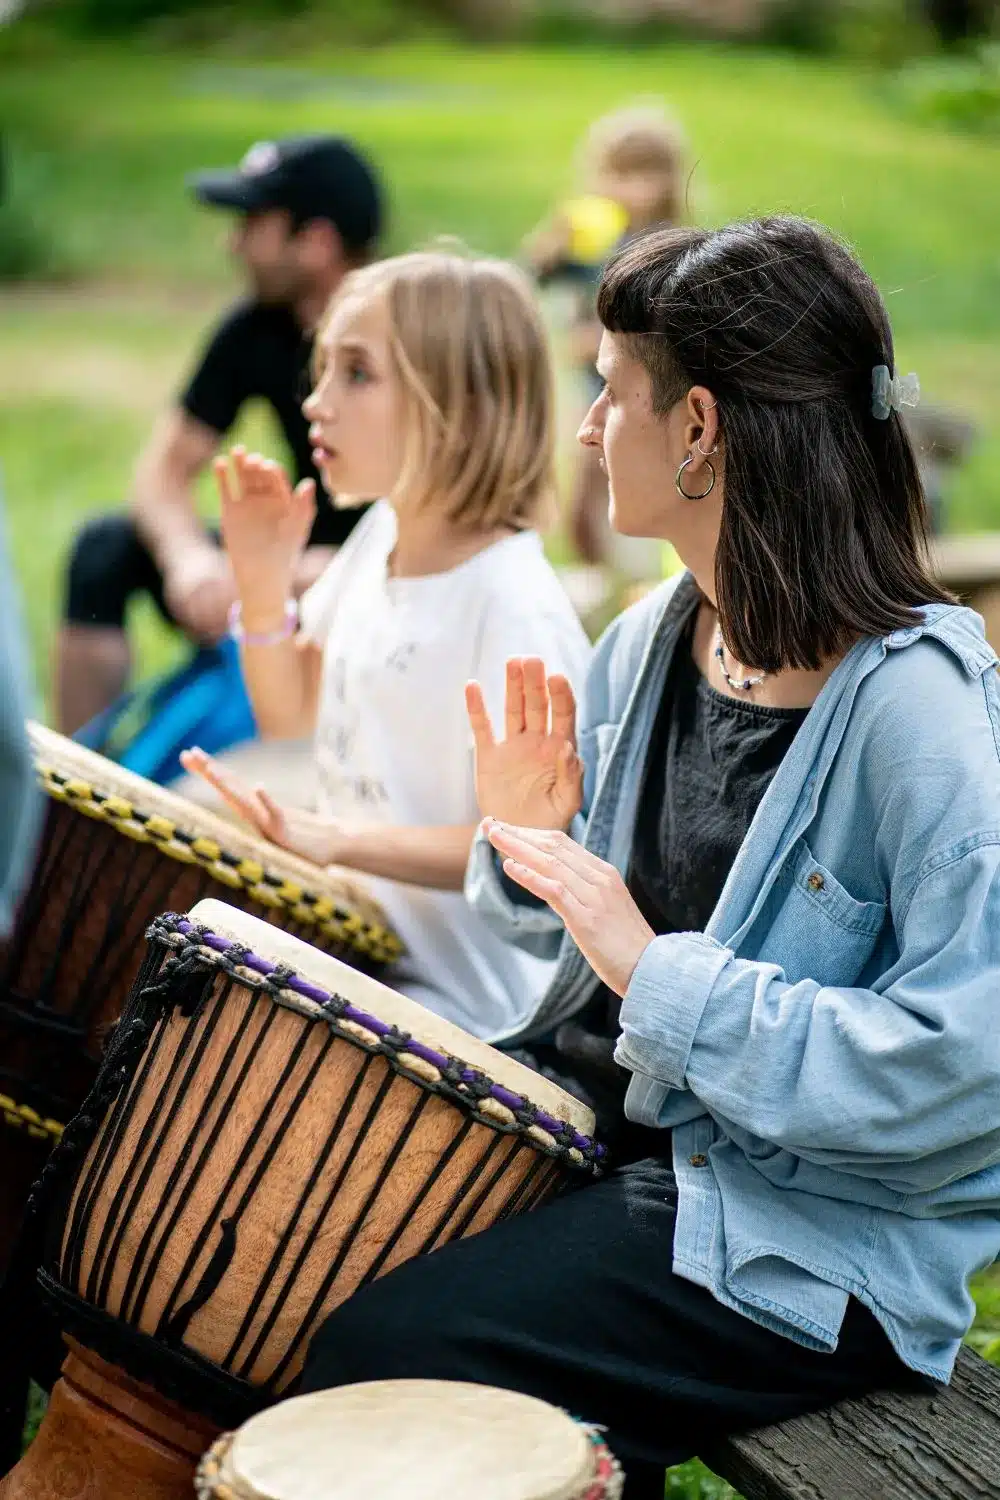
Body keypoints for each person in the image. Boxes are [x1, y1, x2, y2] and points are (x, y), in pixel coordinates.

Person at [299, 218, 1000, 1496]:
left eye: (606, 391)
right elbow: (580, 936)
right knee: (295, 1257)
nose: (583, 427)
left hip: (799, 1241)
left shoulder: (924, 717)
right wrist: (527, 843)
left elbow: (967, 1074)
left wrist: (656, 974)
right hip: (623, 1145)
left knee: (380, 1356)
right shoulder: (651, 636)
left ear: (696, 429)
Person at [180, 249, 591, 1041]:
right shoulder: (380, 537)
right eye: (322, 368)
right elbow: (289, 712)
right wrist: (263, 587)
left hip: (469, 1013)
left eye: (356, 374)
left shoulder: (513, 606)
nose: (315, 402)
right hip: (371, 958)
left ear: (456, 403)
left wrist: (339, 841)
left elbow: (531, 848)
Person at [54, 134, 384, 736]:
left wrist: (275, 576)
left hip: (391, 578)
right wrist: (190, 561)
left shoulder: (416, 338)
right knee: (103, 551)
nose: (231, 243)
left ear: (315, 243)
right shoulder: (259, 326)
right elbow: (164, 469)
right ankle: (76, 790)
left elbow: (446, 537)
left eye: (252, 224)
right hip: (285, 564)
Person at [524, 104, 688, 574]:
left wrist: (597, 335)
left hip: (640, 384)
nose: (632, 187)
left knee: (629, 477)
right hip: (588, 382)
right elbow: (535, 275)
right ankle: (593, 571)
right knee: (581, 484)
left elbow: (662, 317)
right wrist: (552, 245)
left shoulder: (664, 242)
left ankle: (635, 572)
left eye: (646, 173)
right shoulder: (590, 231)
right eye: (620, 173)